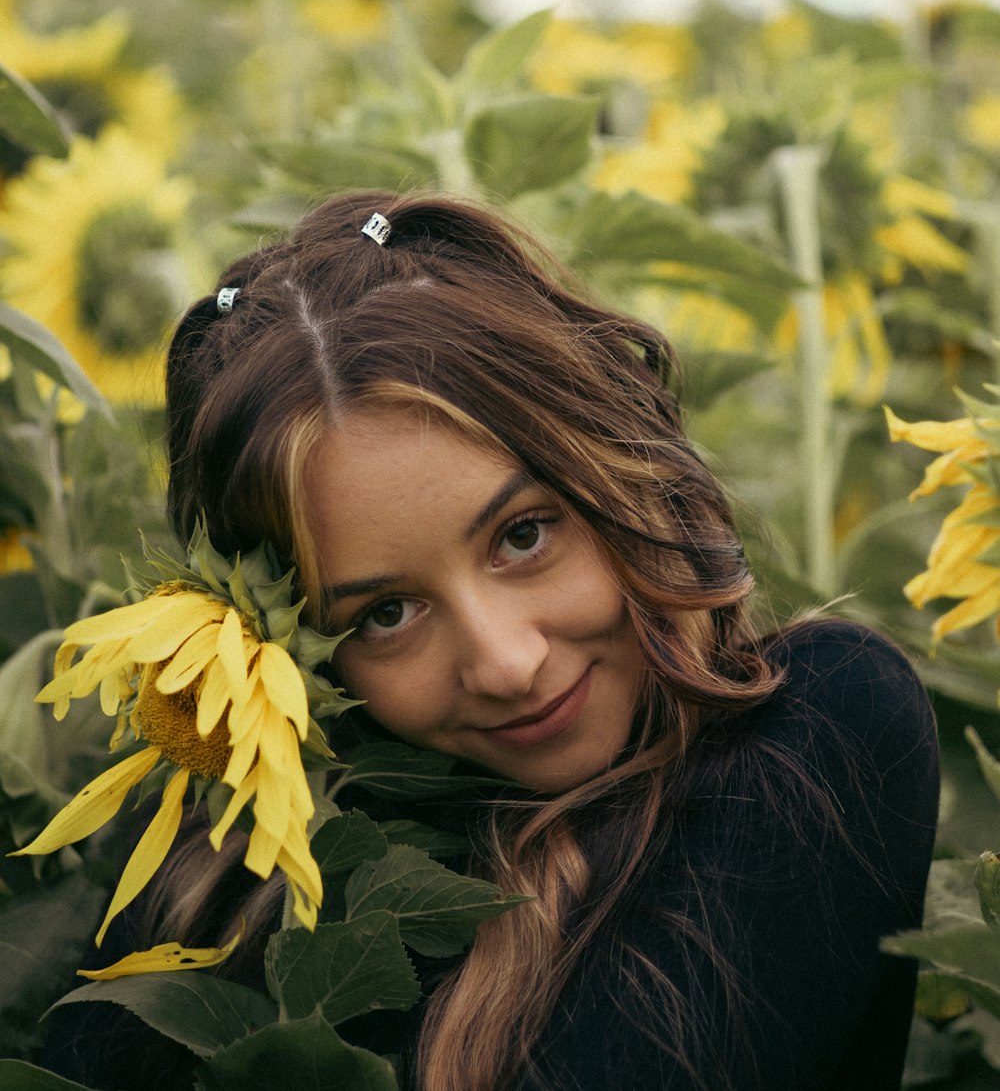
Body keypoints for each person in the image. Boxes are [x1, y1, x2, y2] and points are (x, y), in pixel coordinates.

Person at [53, 190, 940, 1091]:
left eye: (523, 535)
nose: (508, 664)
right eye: (385, 615)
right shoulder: (218, 873)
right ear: (286, 658)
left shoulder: (815, 734)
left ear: (618, 467)